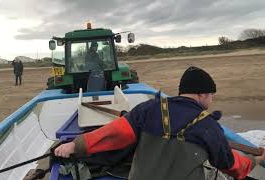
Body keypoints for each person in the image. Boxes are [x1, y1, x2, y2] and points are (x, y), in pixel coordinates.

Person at [55, 66, 265, 180]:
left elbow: (115, 133)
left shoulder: (150, 109)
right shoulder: (208, 125)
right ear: (202, 94)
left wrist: (75, 145)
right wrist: (254, 161)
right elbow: (230, 165)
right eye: (211, 96)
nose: (211, 101)